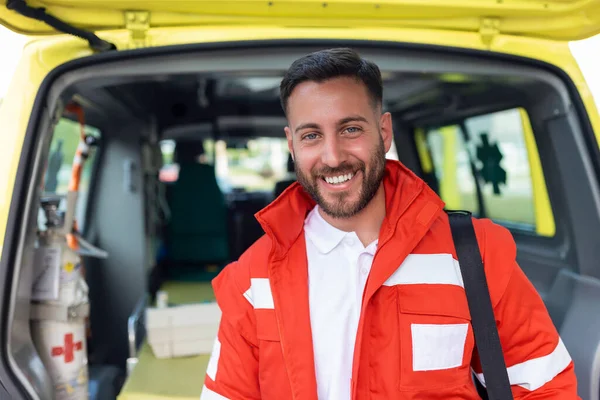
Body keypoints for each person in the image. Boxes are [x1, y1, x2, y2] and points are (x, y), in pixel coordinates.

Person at [201, 48, 578, 399]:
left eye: (350, 129)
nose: (333, 157)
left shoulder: (474, 253)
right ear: (292, 144)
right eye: (312, 135)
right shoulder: (252, 277)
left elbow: (546, 389)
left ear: (383, 131)